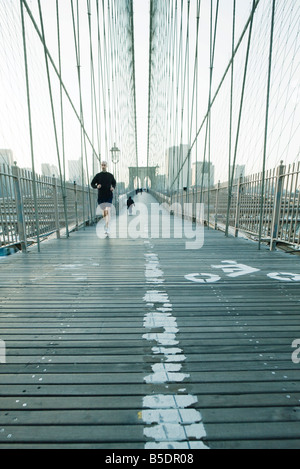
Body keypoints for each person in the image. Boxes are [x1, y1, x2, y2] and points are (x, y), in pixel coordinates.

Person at [91, 161, 116, 235]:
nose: (103, 166)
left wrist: (113, 188)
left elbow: (114, 183)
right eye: (102, 165)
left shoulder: (110, 175)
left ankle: (107, 227)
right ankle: (107, 223)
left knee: (107, 211)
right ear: (101, 166)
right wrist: (96, 186)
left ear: (106, 166)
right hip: (101, 196)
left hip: (108, 195)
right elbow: (92, 183)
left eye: (104, 165)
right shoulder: (98, 176)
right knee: (104, 213)